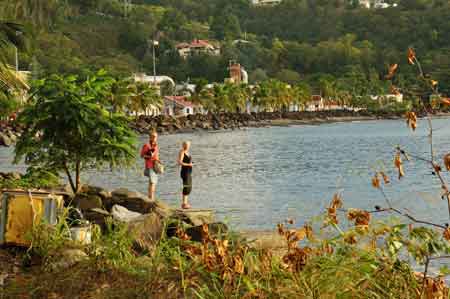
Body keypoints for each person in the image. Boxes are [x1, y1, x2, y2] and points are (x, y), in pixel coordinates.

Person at [140, 131, 159, 200]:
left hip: (155, 166)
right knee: (152, 182)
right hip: (150, 165)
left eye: (156, 136)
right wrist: (149, 156)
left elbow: (156, 155)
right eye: (153, 136)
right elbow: (142, 155)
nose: (155, 138)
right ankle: (151, 198)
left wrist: (159, 162)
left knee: (152, 182)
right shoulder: (146, 145)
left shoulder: (155, 145)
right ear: (150, 137)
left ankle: (150, 197)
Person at [178, 141, 193, 209]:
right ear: (183, 145)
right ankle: (184, 204)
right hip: (184, 172)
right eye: (185, 145)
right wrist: (189, 164)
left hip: (189, 172)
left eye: (188, 145)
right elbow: (180, 162)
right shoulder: (182, 152)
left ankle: (186, 203)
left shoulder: (188, 152)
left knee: (189, 187)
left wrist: (191, 163)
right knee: (186, 187)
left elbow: (187, 161)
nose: (187, 146)